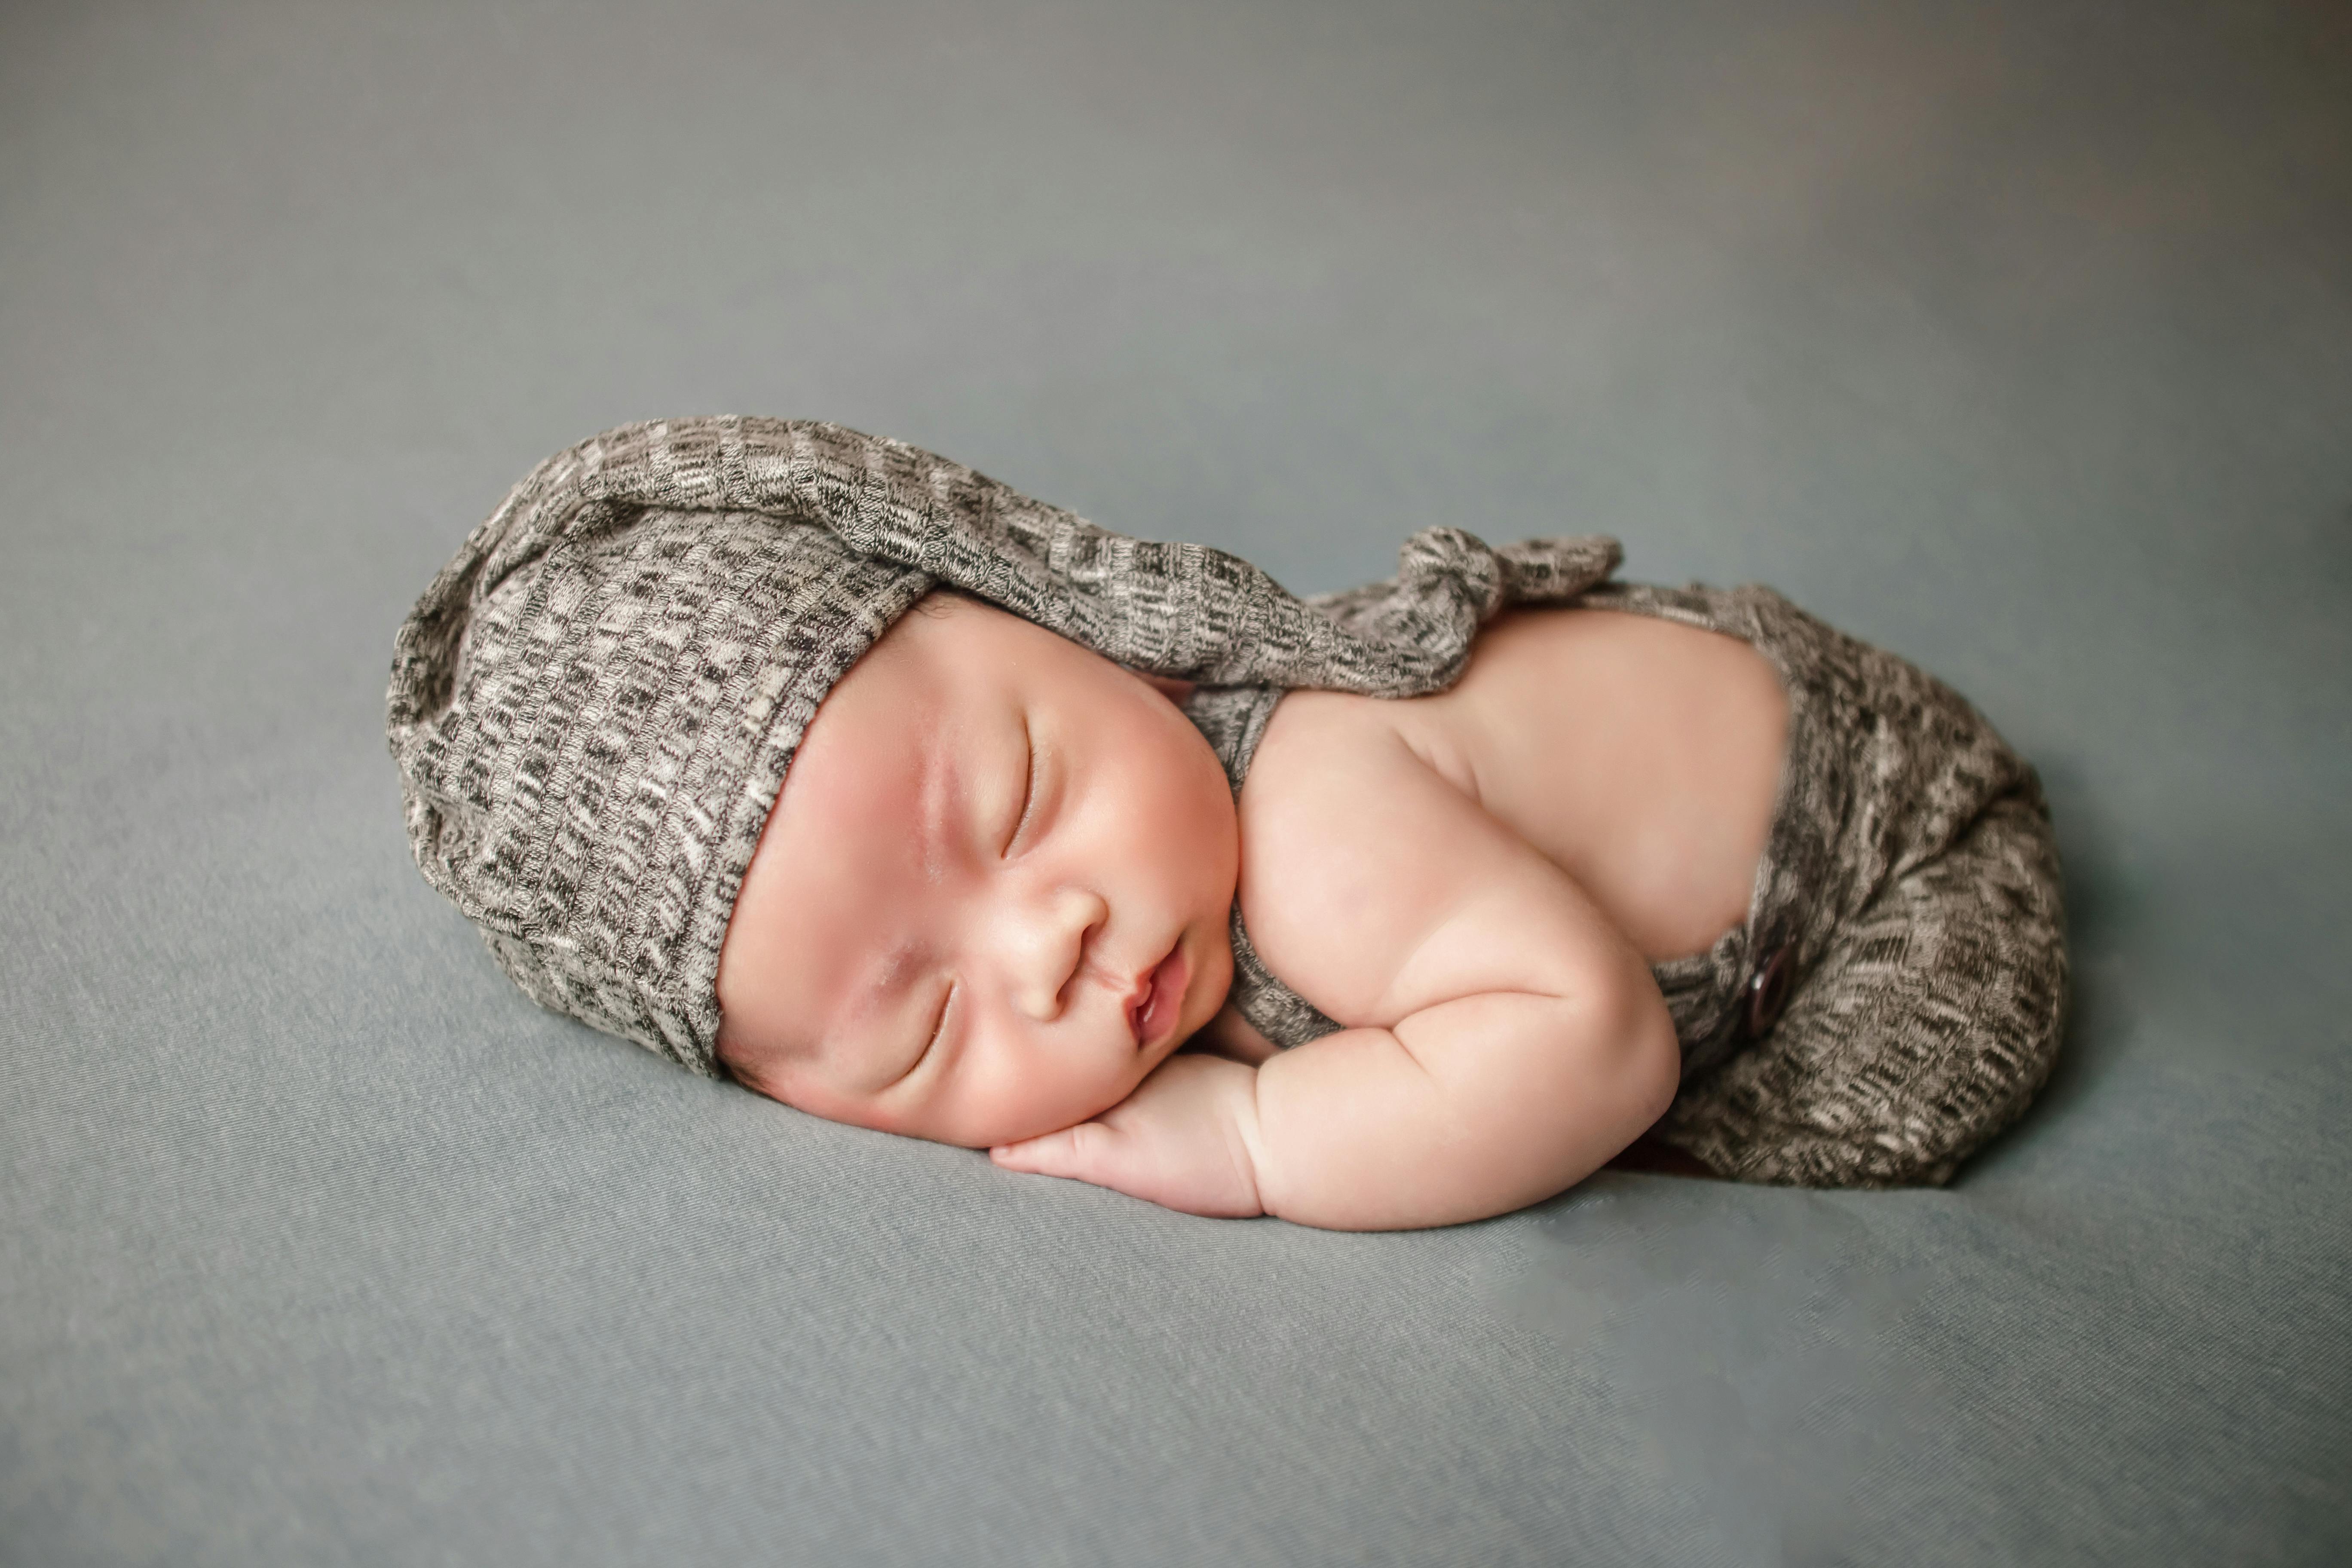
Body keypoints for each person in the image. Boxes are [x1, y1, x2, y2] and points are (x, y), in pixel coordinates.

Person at [388, 417, 2068, 1230]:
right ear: (790, 1092)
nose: (1050, 945)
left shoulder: (1323, 822)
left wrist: (1263, 1148)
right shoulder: (1166, 886)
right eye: (927, 1025)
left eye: (1029, 796)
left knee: (1886, 1108)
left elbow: (1598, 1044)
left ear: (1073, 627)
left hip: (1889, 850)